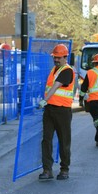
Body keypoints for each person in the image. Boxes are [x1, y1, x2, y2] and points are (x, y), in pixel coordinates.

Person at [38, 44, 75, 180]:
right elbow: (49, 87)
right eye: (55, 57)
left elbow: (56, 86)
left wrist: (44, 100)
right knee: (46, 140)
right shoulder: (54, 69)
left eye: (59, 58)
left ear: (65, 57)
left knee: (64, 140)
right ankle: (47, 170)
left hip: (62, 111)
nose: (56, 60)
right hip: (49, 110)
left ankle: (64, 169)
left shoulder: (67, 71)